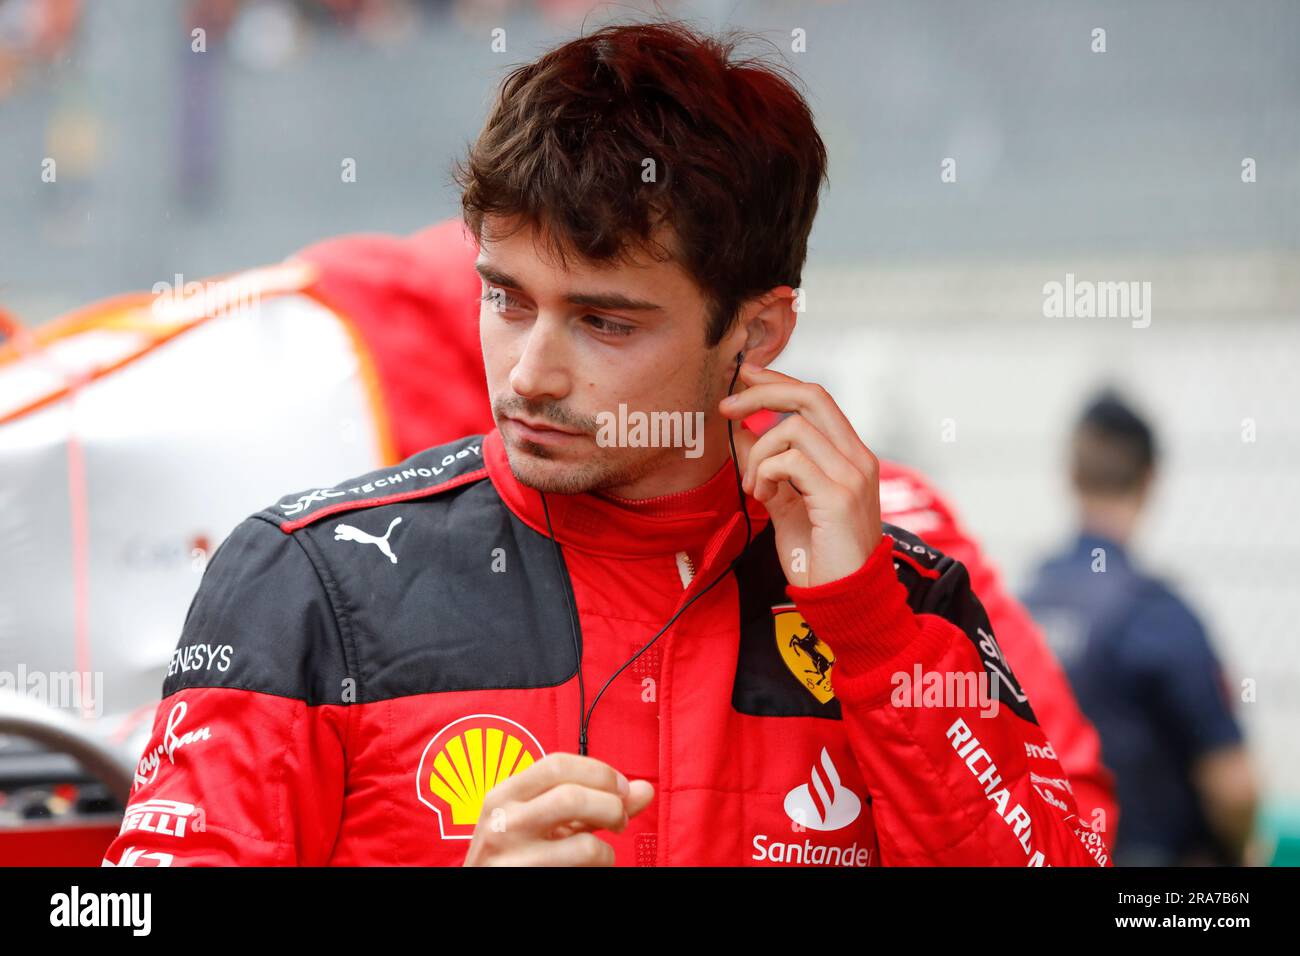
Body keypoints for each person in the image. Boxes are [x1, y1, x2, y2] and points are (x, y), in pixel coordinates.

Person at [102, 19, 1110, 867]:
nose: (529, 371)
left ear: (757, 332)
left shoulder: (904, 603)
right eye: (506, 298)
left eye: (605, 321)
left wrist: (873, 634)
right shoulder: (305, 583)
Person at [1021, 391, 1257, 865]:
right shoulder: (1158, 614)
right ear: (1151, 480)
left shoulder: (1025, 605)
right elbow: (1233, 785)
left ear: (1072, 476)